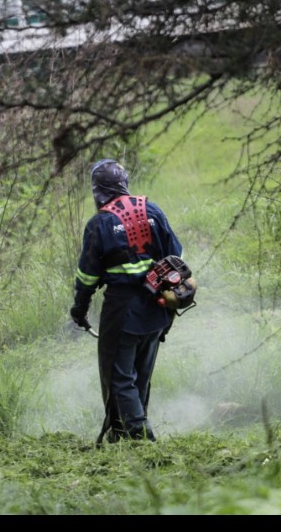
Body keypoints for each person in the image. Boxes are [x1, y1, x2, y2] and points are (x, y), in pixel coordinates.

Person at [70, 158, 184, 446]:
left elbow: (87, 276)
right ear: (124, 184)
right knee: (140, 376)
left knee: (119, 378)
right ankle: (122, 437)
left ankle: (142, 438)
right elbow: (176, 256)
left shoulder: (100, 223)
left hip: (122, 312)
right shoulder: (152, 210)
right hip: (158, 309)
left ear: (97, 191)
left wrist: (79, 309)